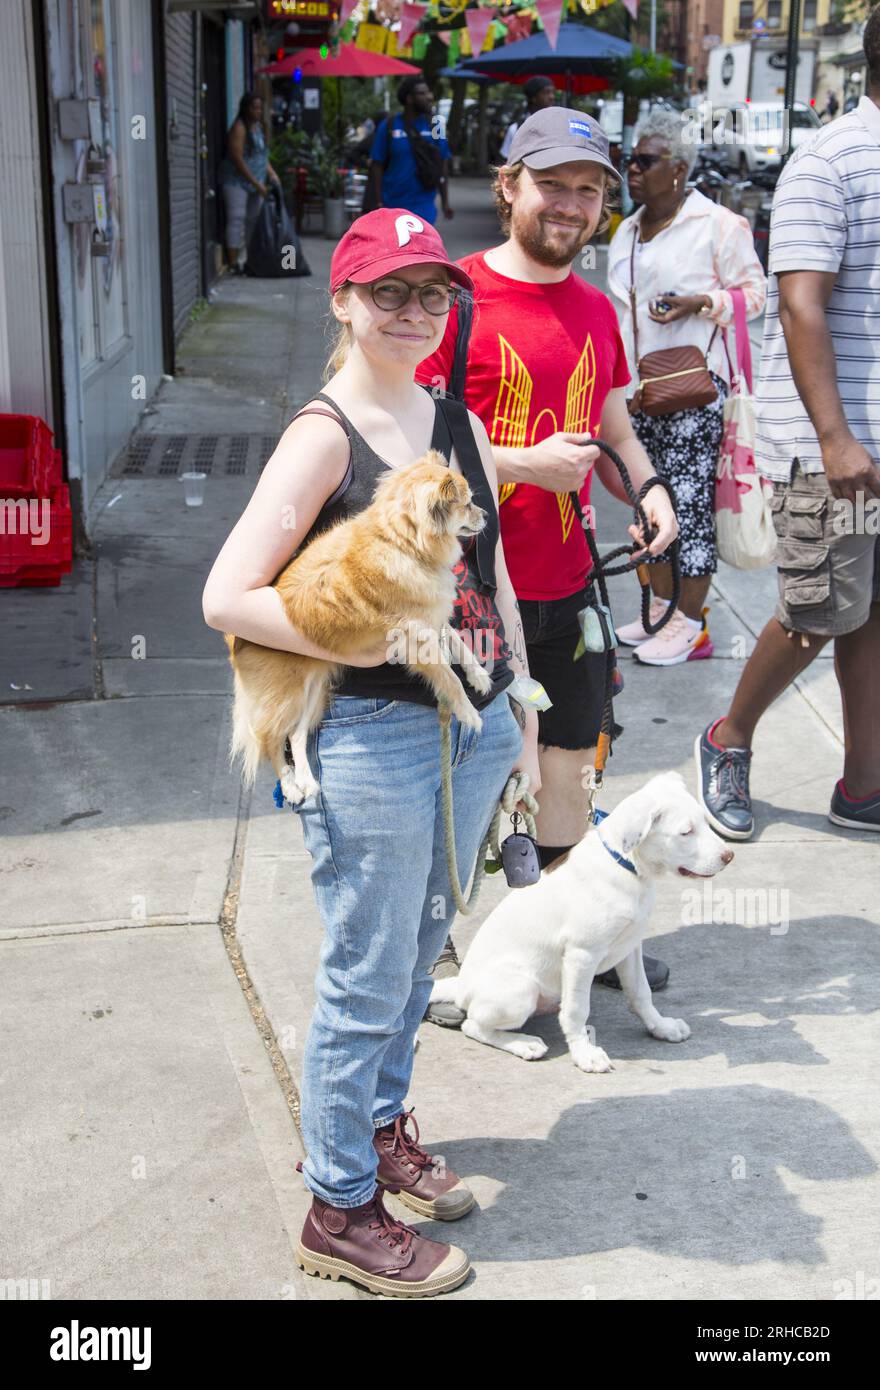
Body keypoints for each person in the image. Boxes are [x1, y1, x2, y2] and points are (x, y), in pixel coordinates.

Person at [202, 209, 538, 1297]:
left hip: (469, 725)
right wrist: (368, 637)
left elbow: (493, 585)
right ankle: (338, 1204)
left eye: (431, 293)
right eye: (388, 292)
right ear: (342, 301)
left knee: (415, 956)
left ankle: (383, 1128)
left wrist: (522, 712)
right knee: (364, 970)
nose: (412, 313)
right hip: (371, 740)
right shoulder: (324, 433)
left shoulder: (457, 421)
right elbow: (227, 597)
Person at [417, 107, 680, 1016]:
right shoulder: (450, 303)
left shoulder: (596, 307)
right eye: (553, 184)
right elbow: (401, 448)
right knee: (456, 779)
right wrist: (519, 466)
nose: (570, 205)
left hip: (567, 586)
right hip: (461, 596)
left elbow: (611, 418)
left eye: (589, 190)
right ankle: (432, 959)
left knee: (572, 766)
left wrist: (646, 487)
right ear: (509, 185)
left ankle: (580, 932)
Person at [695, 5, 880, 840]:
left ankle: (864, 786)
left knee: (870, 612)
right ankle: (727, 738)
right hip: (832, 446)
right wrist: (838, 439)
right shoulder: (830, 161)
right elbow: (802, 307)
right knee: (816, 613)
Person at [607, 108, 766, 666]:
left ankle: (692, 625)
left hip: (696, 395)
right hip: (641, 394)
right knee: (651, 506)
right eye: (628, 159)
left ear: (677, 170)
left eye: (645, 161)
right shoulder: (626, 230)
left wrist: (702, 303)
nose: (631, 169)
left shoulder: (719, 225)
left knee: (690, 509)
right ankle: (664, 612)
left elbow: (758, 295)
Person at [366, 77, 453, 224]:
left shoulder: (436, 125)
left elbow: (442, 163)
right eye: (422, 93)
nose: (429, 97)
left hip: (424, 206)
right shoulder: (389, 125)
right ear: (409, 98)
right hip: (392, 205)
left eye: (428, 93)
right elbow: (377, 165)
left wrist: (445, 202)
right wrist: (379, 202)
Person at [221, 92, 281, 273]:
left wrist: (272, 174)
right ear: (246, 108)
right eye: (254, 107)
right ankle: (232, 263)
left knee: (253, 222)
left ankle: (250, 260)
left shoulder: (258, 128)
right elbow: (237, 159)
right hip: (237, 182)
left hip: (257, 184)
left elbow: (261, 157)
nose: (258, 111)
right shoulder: (240, 128)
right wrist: (257, 184)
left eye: (260, 108)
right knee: (237, 219)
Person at [499, 75, 556, 163]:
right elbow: (507, 159)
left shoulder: (559, 124)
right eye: (546, 93)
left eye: (552, 92)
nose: (552, 97)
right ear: (533, 98)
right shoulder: (516, 129)